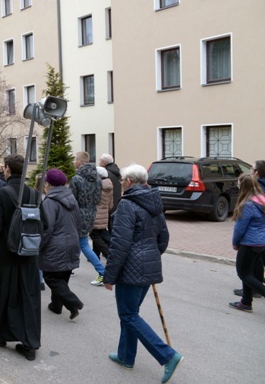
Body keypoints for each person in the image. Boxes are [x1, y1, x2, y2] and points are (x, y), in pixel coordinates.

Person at [102, 164, 183, 384]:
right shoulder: (153, 202)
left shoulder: (127, 205)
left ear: (128, 181)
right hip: (147, 266)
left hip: (130, 270)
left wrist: (108, 277)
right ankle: (126, 357)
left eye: (122, 181)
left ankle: (167, 355)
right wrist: (150, 256)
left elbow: (119, 245)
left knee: (128, 315)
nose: (121, 184)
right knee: (130, 314)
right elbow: (163, 239)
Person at [0, 154, 42, 361]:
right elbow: (46, 224)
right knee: (28, 297)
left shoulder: (1, 193)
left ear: (6, 169)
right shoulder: (34, 194)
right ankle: (29, 343)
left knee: (2, 294)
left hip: (7, 254)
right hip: (29, 254)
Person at [39, 168, 84, 319]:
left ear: (48, 184)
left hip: (55, 244)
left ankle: (73, 302)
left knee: (51, 276)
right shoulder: (72, 198)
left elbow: (47, 228)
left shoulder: (50, 201)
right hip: (72, 241)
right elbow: (79, 223)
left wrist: (39, 246)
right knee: (62, 276)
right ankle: (56, 306)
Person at [228, 173, 265, 312]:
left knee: (244, 273)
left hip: (250, 243)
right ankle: (246, 302)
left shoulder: (247, 205)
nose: (237, 185)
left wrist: (235, 242)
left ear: (243, 186)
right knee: (249, 272)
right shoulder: (263, 200)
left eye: (238, 183)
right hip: (262, 241)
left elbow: (240, 228)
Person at [69, 151, 104, 286]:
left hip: (78, 214)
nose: (73, 163)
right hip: (91, 213)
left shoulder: (76, 179)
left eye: (74, 160)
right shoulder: (97, 179)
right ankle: (70, 267)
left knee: (83, 244)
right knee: (78, 241)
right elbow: (98, 199)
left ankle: (102, 272)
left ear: (79, 162)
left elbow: (71, 201)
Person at [90, 166, 114, 261]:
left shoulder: (97, 186)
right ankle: (96, 255)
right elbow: (111, 204)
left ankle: (109, 254)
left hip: (95, 214)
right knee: (101, 233)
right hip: (104, 214)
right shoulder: (109, 185)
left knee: (94, 235)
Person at [99, 153, 122, 226]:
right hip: (117, 202)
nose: (99, 162)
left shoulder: (105, 173)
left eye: (100, 160)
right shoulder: (117, 172)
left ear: (104, 162)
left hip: (108, 205)